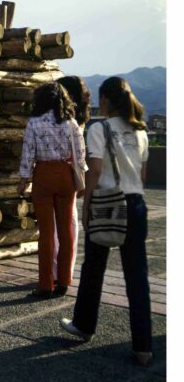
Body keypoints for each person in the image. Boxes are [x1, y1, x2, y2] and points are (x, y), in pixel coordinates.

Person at [60, 76, 152, 366]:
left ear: (106, 100)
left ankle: (84, 325)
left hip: (108, 203)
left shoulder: (100, 128)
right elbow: (143, 175)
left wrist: (86, 206)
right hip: (136, 203)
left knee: (94, 267)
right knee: (137, 276)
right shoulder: (141, 131)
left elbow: (95, 170)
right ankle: (143, 346)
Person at [17, 81, 86, 298]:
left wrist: (23, 179)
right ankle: (64, 281)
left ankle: (46, 285)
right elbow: (80, 154)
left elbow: (28, 153)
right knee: (66, 231)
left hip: (44, 176)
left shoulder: (34, 123)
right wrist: (81, 179)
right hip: (66, 176)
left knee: (46, 234)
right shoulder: (71, 123)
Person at [52, 76, 91, 284]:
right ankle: (67, 271)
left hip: (58, 171)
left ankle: (56, 271)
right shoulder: (81, 117)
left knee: (55, 225)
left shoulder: (63, 117)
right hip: (72, 173)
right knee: (70, 222)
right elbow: (81, 154)